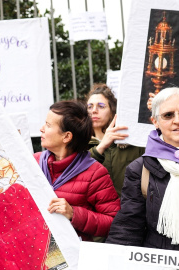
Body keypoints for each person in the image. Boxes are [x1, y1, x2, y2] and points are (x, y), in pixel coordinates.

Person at [107, 87, 179, 251]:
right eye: (168, 115)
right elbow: (129, 225)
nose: (177, 120)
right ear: (155, 121)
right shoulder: (140, 169)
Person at [33, 101, 120, 241]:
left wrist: (74, 214)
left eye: (48, 125)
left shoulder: (94, 173)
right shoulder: (34, 162)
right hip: (30, 249)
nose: (41, 129)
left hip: (72, 256)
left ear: (66, 136)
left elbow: (114, 222)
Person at [87, 84, 145, 197]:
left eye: (101, 106)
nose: (94, 111)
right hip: (97, 213)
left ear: (113, 111)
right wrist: (101, 146)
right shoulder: (79, 145)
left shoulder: (131, 142)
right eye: (90, 106)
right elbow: (77, 173)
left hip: (130, 211)